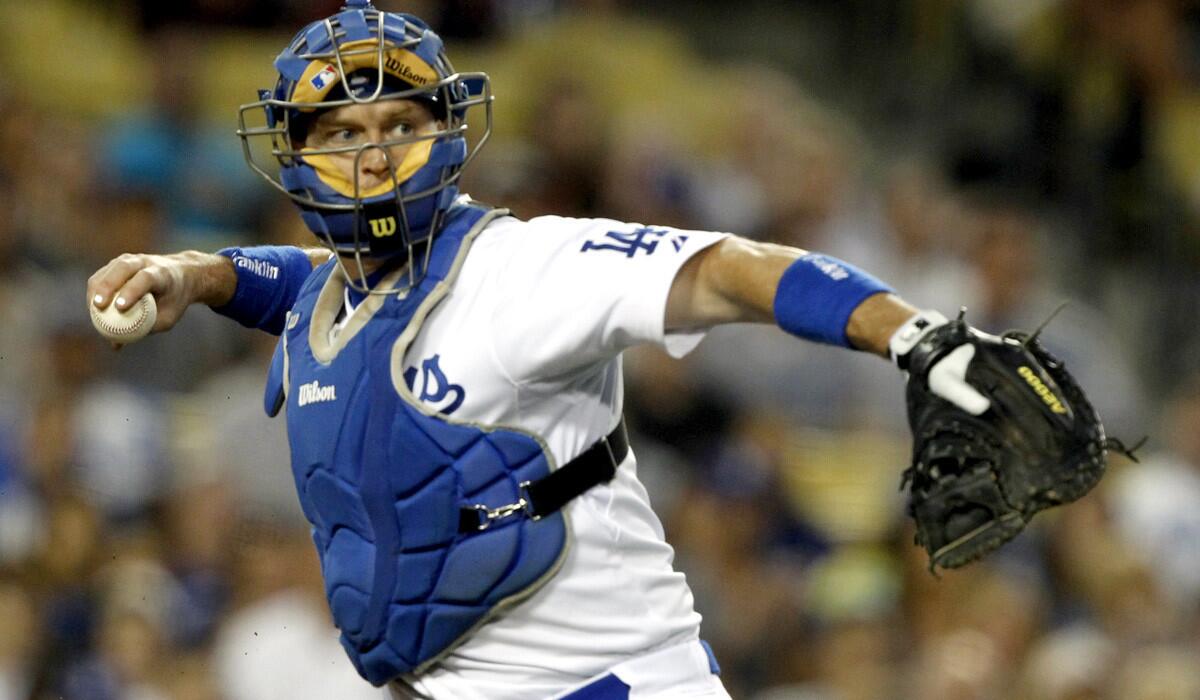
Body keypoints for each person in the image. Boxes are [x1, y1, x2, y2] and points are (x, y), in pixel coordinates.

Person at [86, 2, 986, 697]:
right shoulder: (339, 291)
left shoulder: (524, 267)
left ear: (446, 134)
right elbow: (297, 282)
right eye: (342, 136)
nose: (375, 157)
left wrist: (912, 333)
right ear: (296, 155)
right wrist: (198, 273)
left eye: (401, 126)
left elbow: (728, 271)